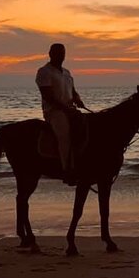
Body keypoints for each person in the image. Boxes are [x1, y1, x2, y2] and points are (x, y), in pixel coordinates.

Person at [36, 43, 86, 186]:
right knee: (64, 135)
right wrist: (64, 108)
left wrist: (78, 100)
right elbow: (48, 96)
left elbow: (73, 91)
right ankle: (67, 170)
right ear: (50, 54)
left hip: (69, 110)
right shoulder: (44, 72)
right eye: (58, 53)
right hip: (54, 112)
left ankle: (81, 162)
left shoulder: (67, 72)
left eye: (62, 53)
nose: (61, 55)